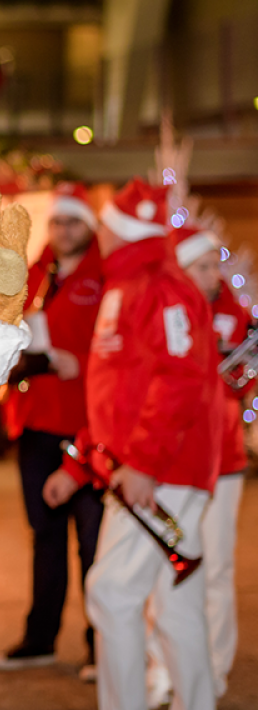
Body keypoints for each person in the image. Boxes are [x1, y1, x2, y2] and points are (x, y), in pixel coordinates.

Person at [43, 178, 220, 710]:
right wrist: (80, 468)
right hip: (147, 467)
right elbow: (114, 397)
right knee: (174, 606)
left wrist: (142, 461)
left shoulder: (160, 288)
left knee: (112, 592)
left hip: (161, 469)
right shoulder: (128, 285)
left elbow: (180, 380)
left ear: (119, 231)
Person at [0, 182, 104, 680]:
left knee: (95, 542)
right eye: (57, 223)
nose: (62, 231)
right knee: (45, 537)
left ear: (89, 227)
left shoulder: (106, 278)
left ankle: (103, 646)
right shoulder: (38, 273)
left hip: (87, 424)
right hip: (35, 420)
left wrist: (78, 361)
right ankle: (40, 639)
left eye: (72, 222)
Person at [144, 224, 252, 706]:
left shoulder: (235, 314)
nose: (214, 276)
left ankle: (215, 667)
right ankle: (163, 668)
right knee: (161, 567)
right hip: (171, 460)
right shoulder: (160, 309)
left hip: (222, 461)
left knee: (215, 568)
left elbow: (241, 384)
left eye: (215, 265)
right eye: (203, 266)